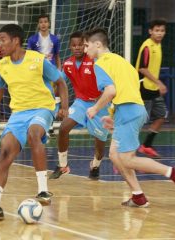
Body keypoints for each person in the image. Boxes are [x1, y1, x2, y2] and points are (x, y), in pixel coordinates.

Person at [84, 28, 175, 207]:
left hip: (129, 112)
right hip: (131, 110)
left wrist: (95, 108)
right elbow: (125, 90)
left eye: (86, 45)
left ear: (97, 44)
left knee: (127, 159)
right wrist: (113, 117)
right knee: (115, 156)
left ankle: (173, 172)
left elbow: (111, 91)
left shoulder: (100, 64)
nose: (85, 50)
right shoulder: (122, 61)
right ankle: (138, 196)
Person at [0, 24, 69, 221]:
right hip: (18, 113)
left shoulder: (38, 60)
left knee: (34, 133)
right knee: (5, 152)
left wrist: (64, 106)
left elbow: (61, 82)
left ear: (16, 41)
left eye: (2, 40)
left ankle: (43, 191)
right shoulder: (2, 66)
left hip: (42, 108)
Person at [49, 31, 109, 180]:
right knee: (63, 128)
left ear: (86, 45)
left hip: (99, 104)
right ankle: (63, 166)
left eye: (80, 45)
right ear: (70, 47)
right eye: (74, 45)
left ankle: (95, 165)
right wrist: (53, 95)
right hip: (81, 103)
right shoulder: (68, 64)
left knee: (99, 144)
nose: (77, 48)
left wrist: (101, 102)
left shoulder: (95, 61)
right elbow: (59, 82)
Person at [135, 19, 167, 158]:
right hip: (144, 87)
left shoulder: (158, 45)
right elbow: (142, 68)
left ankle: (146, 145)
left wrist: (157, 84)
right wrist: (159, 82)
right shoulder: (147, 46)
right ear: (150, 31)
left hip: (153, 88)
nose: (159, 33)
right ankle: (124, 149)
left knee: (161, 116)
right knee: (140, 120)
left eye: (162, 31)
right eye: (157, 30)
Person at [27, 13, 62, 135]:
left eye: (45, 22)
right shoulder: (32, 40)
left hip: (51, 72)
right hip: (37, 72)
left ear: (49, 23)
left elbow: (57, 55)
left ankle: (50, 123)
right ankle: (35, 123)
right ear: (38, 24)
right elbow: (29, 56)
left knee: (52, 97)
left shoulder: (55, 39)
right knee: (37, 96)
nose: (43, 24)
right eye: (41, 22)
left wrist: (59, 69)